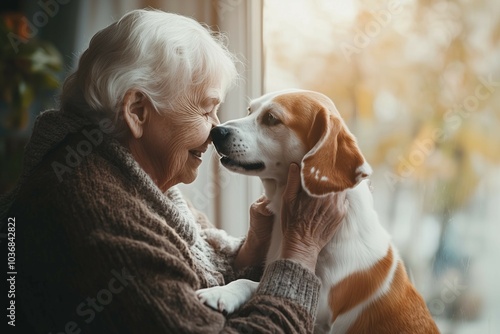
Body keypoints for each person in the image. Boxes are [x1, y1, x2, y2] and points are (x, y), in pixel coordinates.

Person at [0, 9, 347, 333]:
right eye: (207, 110)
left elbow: (190, 279)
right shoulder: (96, 214)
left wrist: (254, 248)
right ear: (137, 111)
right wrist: (300, 248)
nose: (216, 131)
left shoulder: (134, 179)